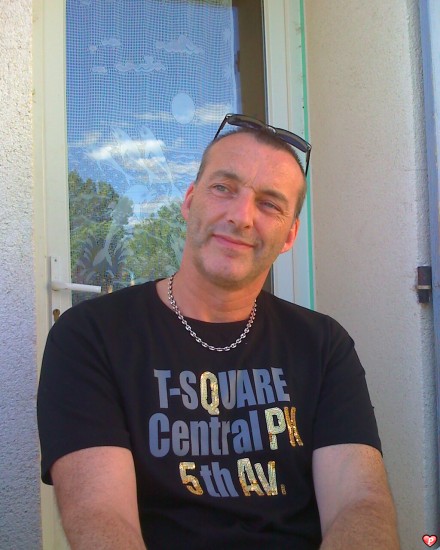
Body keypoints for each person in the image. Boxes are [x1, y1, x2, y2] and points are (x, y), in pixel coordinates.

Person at [37, 114, 399, 549]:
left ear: (289, 236)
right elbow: (99, 514)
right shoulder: (91, 336)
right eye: (224, 188)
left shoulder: (322, 344)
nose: (241, 217)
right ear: (190, 202)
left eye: (270, 204)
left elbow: (360, 503)